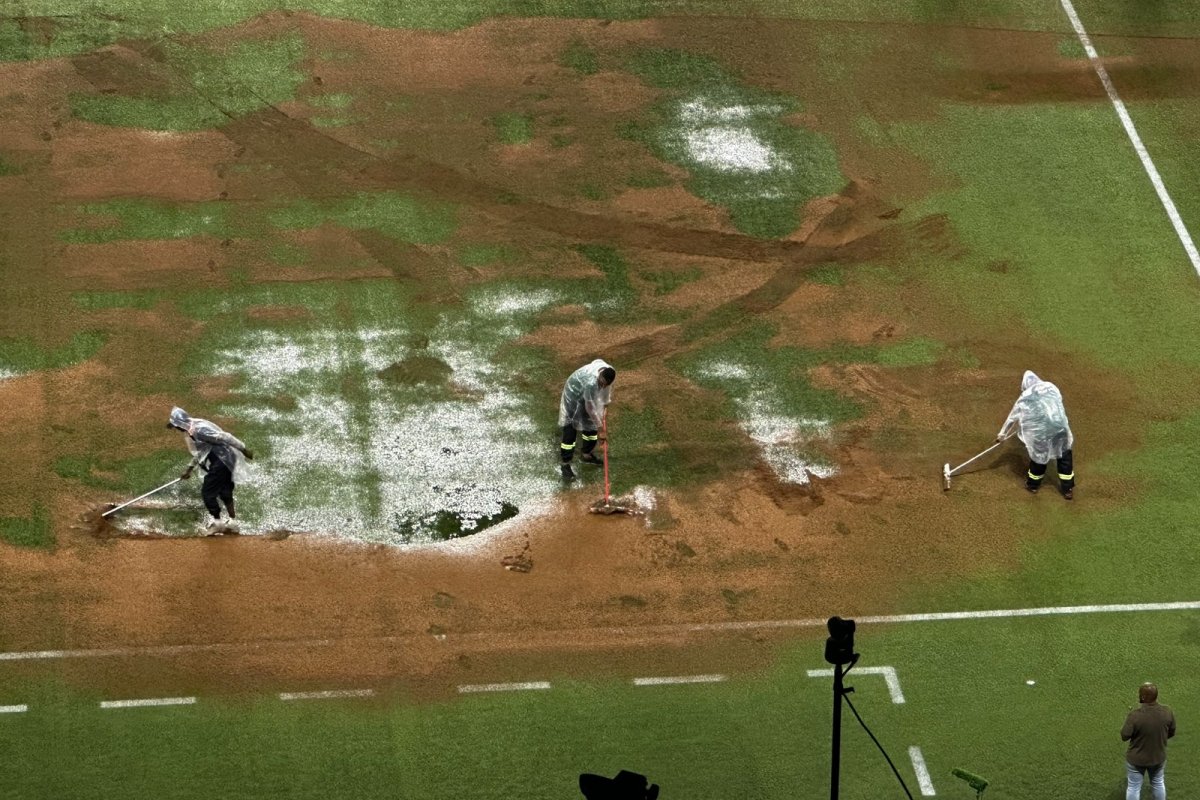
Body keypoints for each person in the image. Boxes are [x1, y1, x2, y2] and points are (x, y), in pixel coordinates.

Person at [167, 407, 254, 531]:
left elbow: (225, 437)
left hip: (222, 460)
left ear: (181, 424)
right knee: (225, 490)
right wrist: (189, 469)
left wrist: (243, 449)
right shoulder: (192, 429)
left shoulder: (199, 430)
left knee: (208, 492)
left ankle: (218, 523)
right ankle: (232, 522)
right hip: (225, 458)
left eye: (176, 425)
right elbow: (202, 451)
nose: (176, 428)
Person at [997, 370, 1075, 499]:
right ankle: (1068, 490)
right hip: (1060, 428)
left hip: (1040, 434)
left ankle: (1033, 486)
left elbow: (1011, 419)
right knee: (1064, 457)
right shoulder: (1051, 386)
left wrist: (1002, 435)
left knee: (1039, 458)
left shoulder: (1024, 397)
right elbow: (1057, 404)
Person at [558, 359, 615, 481]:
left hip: (588, 395)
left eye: (606, 384)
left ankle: (586, 454)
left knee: (591, 424)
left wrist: (605, 408)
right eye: (602, 383)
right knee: (571, 429)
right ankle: (565, 463)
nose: (603, 386)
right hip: (573, 394)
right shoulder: (591, 382)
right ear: (600, 376)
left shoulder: (608, 373)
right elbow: (589, 407)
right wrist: (600, 429)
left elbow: (605, 397)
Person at [1121, 682, 1175, 800]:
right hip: (1158, 757)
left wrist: (1129, 719)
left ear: (1143, 697)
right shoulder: (1167, 712)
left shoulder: (1134, 716)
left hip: (1136, 760)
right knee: (1158, 783)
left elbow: (1124, 735)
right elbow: (1171, 732)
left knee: (1134, 787)